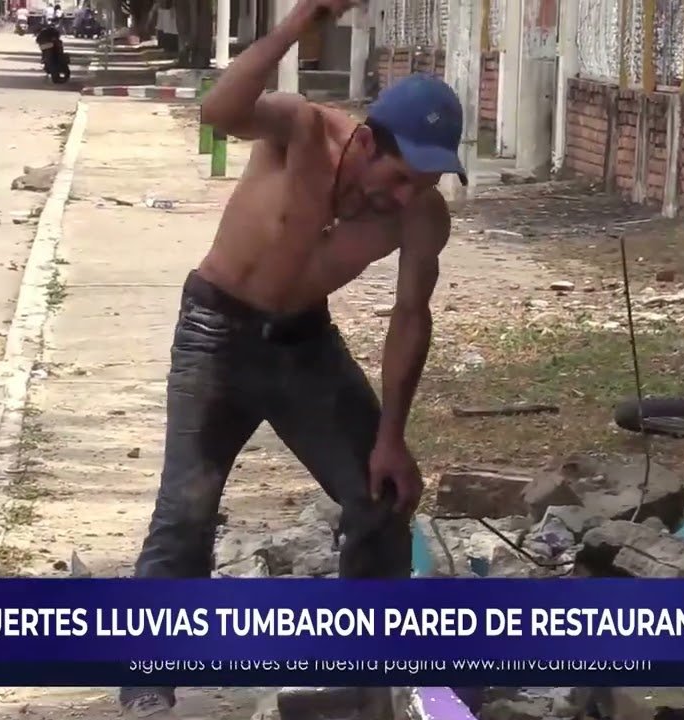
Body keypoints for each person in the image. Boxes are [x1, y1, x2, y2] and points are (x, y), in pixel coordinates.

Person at [117, 0, 464, 713]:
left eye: (422, 186)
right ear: (366, 142)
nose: (402, 198)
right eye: (399, 177)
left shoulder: (421, 216)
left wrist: (392, 438)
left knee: (381, 499)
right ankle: (147, 687)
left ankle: (364, 682)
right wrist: (300, 22)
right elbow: (218, 109)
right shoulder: (300, 131)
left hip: (305, 345)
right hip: (216, 332)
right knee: (185, 512)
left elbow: (410, 317)